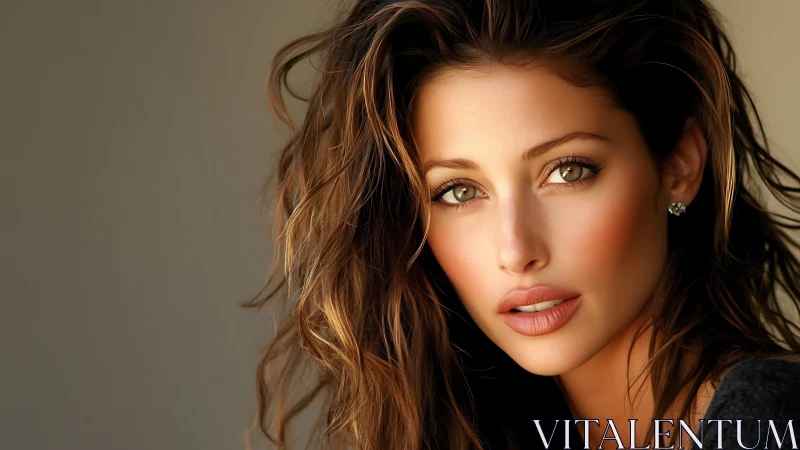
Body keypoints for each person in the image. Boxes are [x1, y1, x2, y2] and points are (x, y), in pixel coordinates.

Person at [244, 0, 800, 449]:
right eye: (459, 192)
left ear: (679, 167)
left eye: (568, 171)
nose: (516, 250)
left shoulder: (767, 418)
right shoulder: (486, 426)